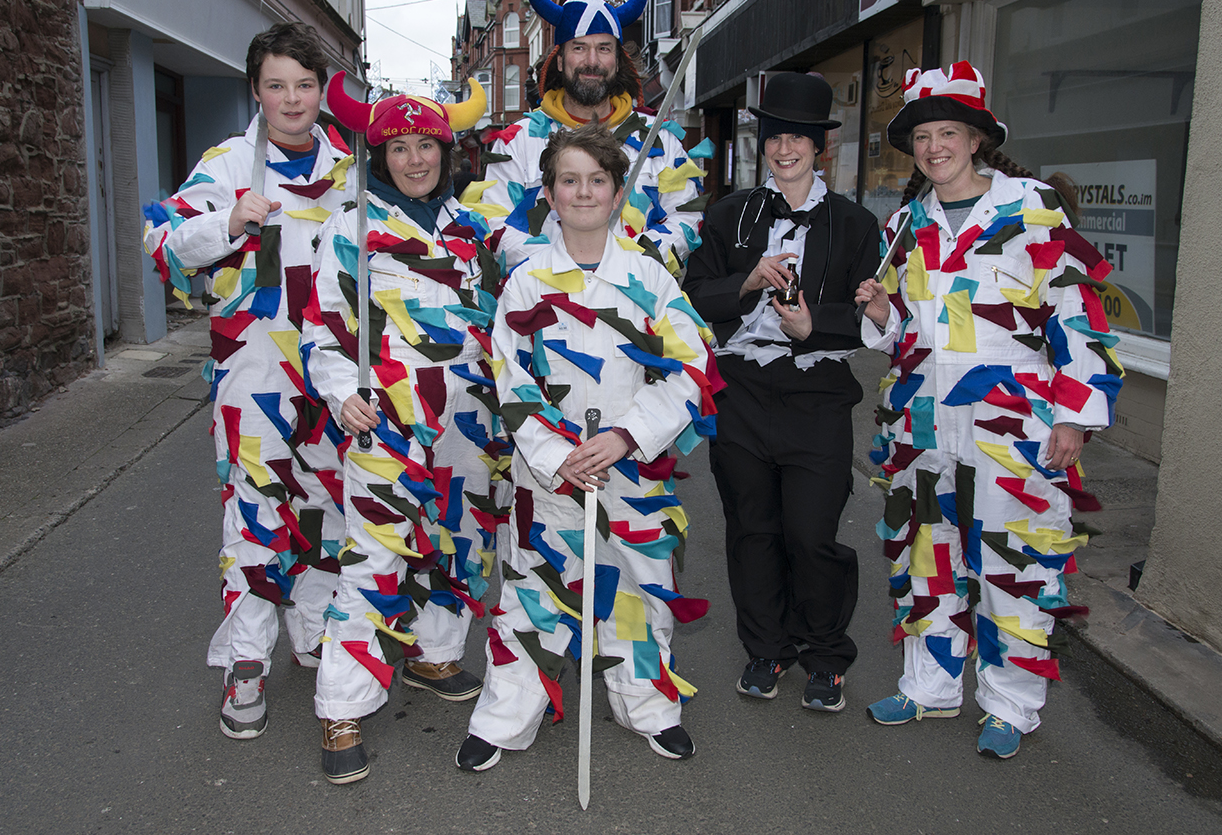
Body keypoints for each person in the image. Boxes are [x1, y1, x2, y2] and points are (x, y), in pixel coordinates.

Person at [854, 61, 1122, 759]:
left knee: (1013, 562)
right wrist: (884, 313)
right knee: (927, 555)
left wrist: (1072, 413)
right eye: (922, 136)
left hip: (1011, 422)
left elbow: (1079, 315)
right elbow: (906, 329)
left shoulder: (1033, 208)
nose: (934, 146)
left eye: (948, 132)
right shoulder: (909, 222)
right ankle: (930, 687)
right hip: (922, 420)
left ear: (976, 139)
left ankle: (1011, 702)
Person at [456, 124, 719, 772]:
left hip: (628, 467)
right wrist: (554, 453)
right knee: (532, 591)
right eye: (568, 180)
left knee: (641, 587)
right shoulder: (524, 283)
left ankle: (649, 706)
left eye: (596, 180)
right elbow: (507, 373)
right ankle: (506, 715)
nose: (582, 192)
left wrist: (625, 435)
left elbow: (690, 365)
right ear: (549, 192)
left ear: (617, 191)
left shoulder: (651, 279)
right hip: (548, 472)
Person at [142, 22, 355, 740]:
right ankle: (245, 662)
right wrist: (227, 222)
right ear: (256, 89)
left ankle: (315, 626)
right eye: (275, 85)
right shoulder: (228, 161)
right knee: (258, 513)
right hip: (254, 370)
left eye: (303, 85)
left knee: (330, 502)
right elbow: (161, 244)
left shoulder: (352, 169)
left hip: (331, 378)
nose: (291, 99)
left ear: (322, 91)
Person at [303, 75, 505, 784]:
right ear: (377, 153)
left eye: (427, 145)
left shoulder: (471, 229)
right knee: (376, 552)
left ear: (447, 151)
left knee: (461, 536)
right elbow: (321, 333)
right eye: (399, 147)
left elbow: (505, 320)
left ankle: (434, 651)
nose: (415, 159)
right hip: (387, 419)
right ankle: (341, 703)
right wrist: (341, 391)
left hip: (469, 417)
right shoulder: (350, 227)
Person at [683, 72, 881, 713]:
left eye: (798, 137)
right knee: (752, 531)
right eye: (775, 137)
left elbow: (876, 316)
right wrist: (746, 285)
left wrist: (811, 324)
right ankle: (765, 650)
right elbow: (691, 297)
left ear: (820, 145)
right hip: (740, 392)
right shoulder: (729, 214)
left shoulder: (855, 224)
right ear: (762, 143)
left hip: (817, 395)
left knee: (812, 534)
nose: (785, 149)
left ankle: (825, 655)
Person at [464, 0, 711, 277]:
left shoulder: (659, 139)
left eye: (604, 48)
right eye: (579, 47)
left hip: (639, 300)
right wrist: (565, 266)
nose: (591, 61)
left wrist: (630, 261)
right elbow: (494, 221)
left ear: (617, 61)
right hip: (546, 303)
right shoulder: (517, 142)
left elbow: (685, 216)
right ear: (559, 60)